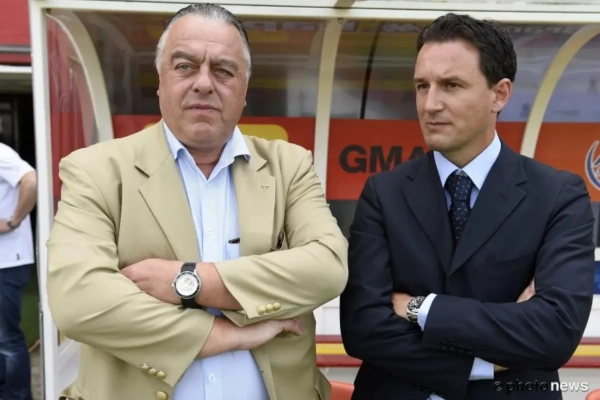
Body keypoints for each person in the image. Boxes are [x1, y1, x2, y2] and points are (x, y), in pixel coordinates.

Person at [46, 4, 348, 400]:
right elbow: (78, 301)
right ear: (161, 80)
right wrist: (223, 334)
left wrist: (187, 281)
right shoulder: (97, 170)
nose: (204, 83)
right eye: (185, 66)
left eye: (223, 70)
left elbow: (327, 267)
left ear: (244, 90)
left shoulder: (289, 166)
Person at [339, 13, 596, 400]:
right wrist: (483, 364)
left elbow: (554, 332)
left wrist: (420, 308)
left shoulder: (558, 195)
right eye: (422, 86)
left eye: (451, 85)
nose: (430, 104)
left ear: (500, 94)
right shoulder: (383, 193)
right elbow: (362, 327)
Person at [0, 142, 37, 400]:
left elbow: (30, 180)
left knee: (6, 339)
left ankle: (17, 396)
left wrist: (14, 221)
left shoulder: (1, 153)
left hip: (7, 262)